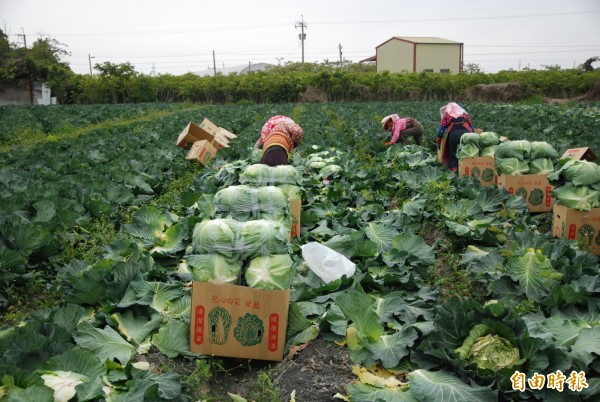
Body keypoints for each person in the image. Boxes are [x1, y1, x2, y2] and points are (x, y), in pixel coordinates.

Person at [436, 102, 474, 171]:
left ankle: (454, 170)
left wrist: (438, 141)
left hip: (454, 134)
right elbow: (472, 128)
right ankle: (467, 169)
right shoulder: (464, 114)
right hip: (467, 134)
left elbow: (440, 131)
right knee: (467, 152)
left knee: (453, 153)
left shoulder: (447, 115)